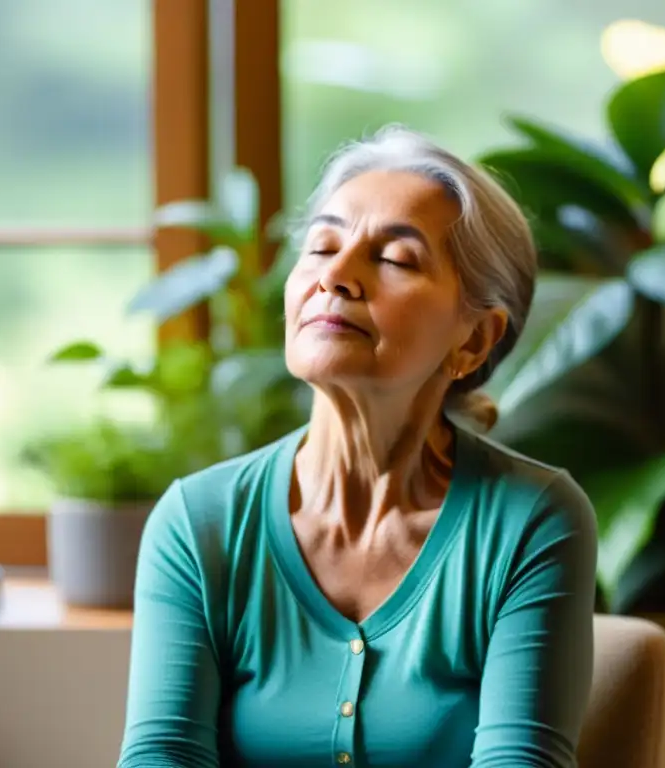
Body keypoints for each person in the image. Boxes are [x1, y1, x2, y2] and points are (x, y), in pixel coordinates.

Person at [118, 126, 598, 768]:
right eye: (321, 246)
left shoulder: (529, 520)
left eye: (396, 259)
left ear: (476, 339)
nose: (335, 276)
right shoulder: (199, 523)